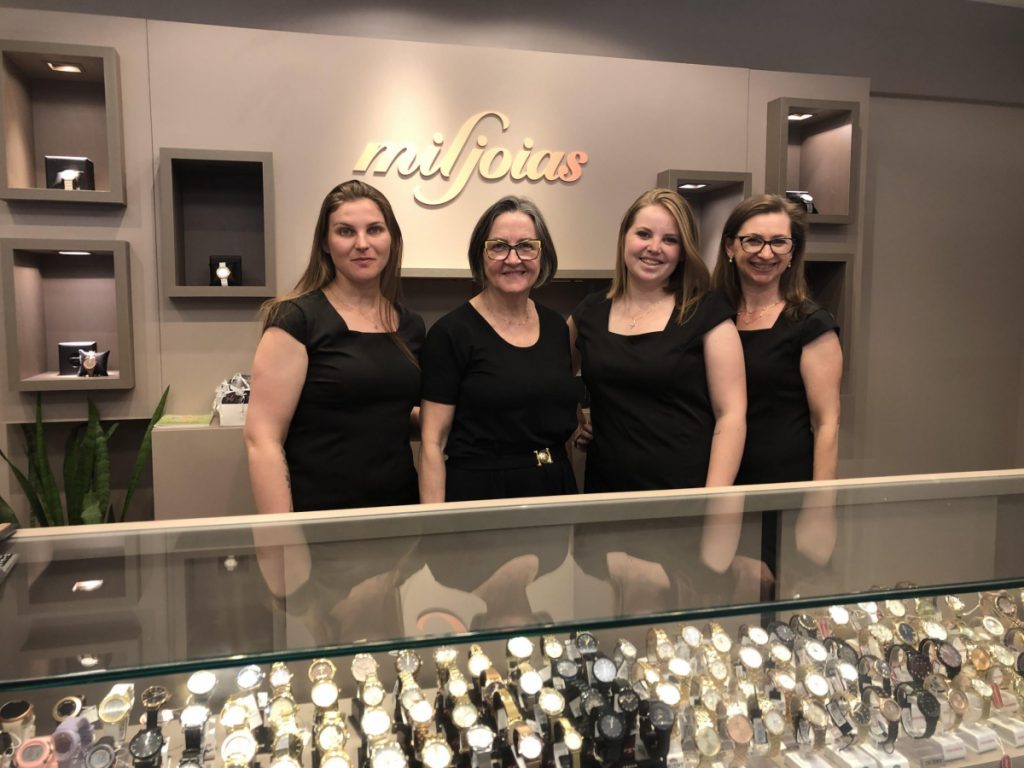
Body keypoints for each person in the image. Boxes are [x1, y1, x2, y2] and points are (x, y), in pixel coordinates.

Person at [243, 180, 424, 643]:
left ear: (391, 239)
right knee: (331, 659)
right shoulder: (297, 318)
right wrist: (283, 542)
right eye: (346, 231)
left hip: (396, 522)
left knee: (390, 653)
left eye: (374, 229)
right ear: (325, 243)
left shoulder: (409, 324)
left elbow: (388, 413)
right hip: (321, 527)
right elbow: (262, 439)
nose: (362, 243)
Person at [569, 187, 748, 610]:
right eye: (644, 234)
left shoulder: (705, 313)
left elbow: (731, 416)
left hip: (683, 502)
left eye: (670, 240)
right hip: (607, 497)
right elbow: (548, 377)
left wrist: (713, 505)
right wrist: (575, 417)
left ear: (683, 252)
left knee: (675, 625)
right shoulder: (590, 312)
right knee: (614, 616)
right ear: (624, 238)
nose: (655, 248)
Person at [710, 193, 843, 597]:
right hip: (719, 489)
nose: (765, 253)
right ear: (730, 246)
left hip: (782, 497)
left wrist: (819, 508)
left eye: (779, 242)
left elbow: (827, 423)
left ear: (792, 253)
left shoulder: (811, 324)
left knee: (773, 609)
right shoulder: (711, 317)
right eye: (753, 240)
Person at [418, 195, 578, 503]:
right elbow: (432, 442)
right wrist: (434, 523)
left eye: (526, 246)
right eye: (499, 246)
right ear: (480, 255)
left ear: (542, 254)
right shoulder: (451, 334)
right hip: (480, 495)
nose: (513, 259)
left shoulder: (557, 328)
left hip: (555, 486)